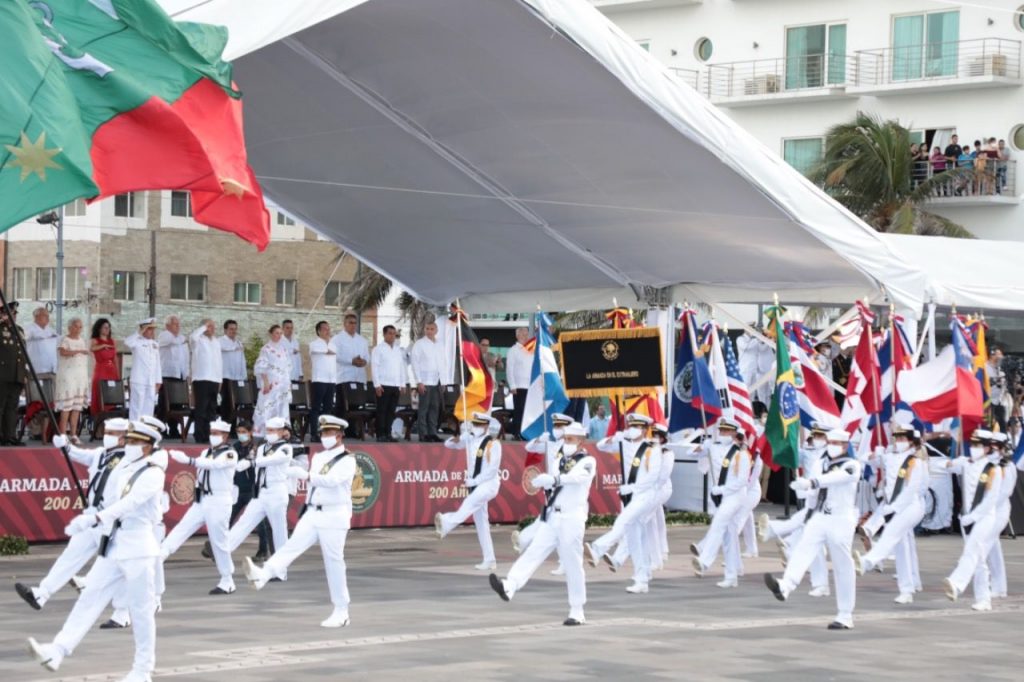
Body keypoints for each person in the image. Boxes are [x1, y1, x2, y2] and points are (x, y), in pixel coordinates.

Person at [27, 421, 166, 681]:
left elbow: (130, 502)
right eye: (130, 441)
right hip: (115, 544)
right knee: (89, 598)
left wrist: (97, 519)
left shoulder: (153, 472)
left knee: (141, 611)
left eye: (135, 443)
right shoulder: (125, 466)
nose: (129, 446)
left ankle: (142, 670)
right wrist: (68, 448)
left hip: (138, 548)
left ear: (147, 447)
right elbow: (105, 489)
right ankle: (58, 649)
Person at [244, 415, 356, 628]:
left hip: (334, 515)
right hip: (314, 512)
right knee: (291, 547)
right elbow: (314, 485)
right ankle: (263, 574)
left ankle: (341, 610)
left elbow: (331, 481)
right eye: (323, 433)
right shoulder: (320, 457)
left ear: (340, 435)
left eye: (329, 433)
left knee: (334, 562)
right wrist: (307, 501)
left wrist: (305, 475)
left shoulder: (348, 460)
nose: (325, 437)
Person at [15, 419, 130, 611]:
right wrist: (65, 446)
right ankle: (41, 594)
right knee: (70, 557)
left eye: (111, 433)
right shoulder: (100, 454)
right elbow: (80, 455)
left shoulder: (129, 461)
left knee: (119, 566)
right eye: (106, 431)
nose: (106, 435)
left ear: (123, 439)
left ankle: (136, 604)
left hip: (110, 520)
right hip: (91, 517)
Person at [489, 421, 595, 626]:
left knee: (573, 564)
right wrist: (542, 483)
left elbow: (575, 478)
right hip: (553, 517)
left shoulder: (587, 461)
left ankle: (577, 610)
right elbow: (553, 485)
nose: (566, 443)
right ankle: (509, 585)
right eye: (565, 439)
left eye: (571, 439)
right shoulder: (559, 459)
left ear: (580, 441)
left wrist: (552, 479)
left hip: (571, 518)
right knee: (533, 552)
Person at [764, 429, 862, 630]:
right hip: (820, 516)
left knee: (843, 566)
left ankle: (845, 615)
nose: (832, 445)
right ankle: (786, 586)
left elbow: (837, 478)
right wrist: (805, 494)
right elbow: (814, 491)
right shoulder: (820, 463)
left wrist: (812, 482)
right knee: (803, 549)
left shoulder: (852, 465)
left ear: (844, 446)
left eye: (836, 443)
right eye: (830, 441)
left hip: (841, 520)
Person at [585, 412, 662, 593]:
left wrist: (633, 488)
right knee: (634, 538)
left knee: (623, 521)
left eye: (637, 427)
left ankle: (598, 549)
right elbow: (600, 446)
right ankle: (641, 580)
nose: (633, 430)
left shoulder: (652, 449)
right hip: (628, 497)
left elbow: (652, 477)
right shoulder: (624, 444)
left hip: (644, 495)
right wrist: (614, 437)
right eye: (631, 426)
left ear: (644, 430)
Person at [853, 425, 928, 603]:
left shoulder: (916, 462)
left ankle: (867, 562)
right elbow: (865, 459)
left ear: (911, 441)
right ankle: (907, 590)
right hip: (893, 507)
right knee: (901, 547)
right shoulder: (889, 457)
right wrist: (874, 454)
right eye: (897, 438)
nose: (899, 442)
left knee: (891, 534)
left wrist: (894, 507)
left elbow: (912, 490)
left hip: (910, 506)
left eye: (903, 439)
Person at [163, 419, 238, 595]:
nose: (213, 436)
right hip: (203, 500)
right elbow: (201, 472)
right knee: (180, 529)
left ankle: (227, 579)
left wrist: (189, 460)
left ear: (226, 436)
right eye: (212, 433)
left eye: (217, 434)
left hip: (219, 501)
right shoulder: (206, 452)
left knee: (219, 542)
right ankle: (157, 559)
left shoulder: (230, 454)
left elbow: (215, 465)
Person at [943, 430, 1003, 610]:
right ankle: (983, 599)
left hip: (984, 518)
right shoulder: (965, 464)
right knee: (978, 558)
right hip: (966, 519)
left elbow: (991, 500)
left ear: (986, 448)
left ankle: (956, 583)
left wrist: (973, 517)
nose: (973, 449)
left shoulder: (993, 469)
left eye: (978, 446)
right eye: (972, 445)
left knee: (971, 550)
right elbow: (945, 465)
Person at [435, 412, 503, 570]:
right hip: (475, 485)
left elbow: (492, 470)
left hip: (488, 484)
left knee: (469, 503)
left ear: (486, 426)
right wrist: (460, 436)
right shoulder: (471, 440)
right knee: (481, 522)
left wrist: (475, 481)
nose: (476, 427)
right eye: (475, 424)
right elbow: (449, 445)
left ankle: (446, 523)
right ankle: (489, 559)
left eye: (479, 425)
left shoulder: (494, 444)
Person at [689, 418, 750, 588]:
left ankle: (704, 561)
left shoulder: (741, 454)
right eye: (721, 430)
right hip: (720, 497)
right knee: (729, 537)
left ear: (734, 434)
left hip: (735, 495)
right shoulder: (714, 447)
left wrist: (723, 490)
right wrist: (703, 445)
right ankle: (732, 576)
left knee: (718, 522)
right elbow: (691, 454)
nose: (723, 433)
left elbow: (741, 481)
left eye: (726, 431)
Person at [226, 416, 293, 566]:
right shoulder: (262, 447)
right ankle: (222, 551)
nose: (269, 433)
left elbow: (273, 460)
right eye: (268, 430)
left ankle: (280, 568)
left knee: (279, 532)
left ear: (282, 432)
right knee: (243, 523)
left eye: (273, 430)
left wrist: (251, 463)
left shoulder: (286, 448)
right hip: (261, 492)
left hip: (276, 492)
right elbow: (259, 467)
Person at [332, 313, 369, 432]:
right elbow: (335, 356)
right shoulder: (337, 339)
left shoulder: (362, 340)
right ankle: (340, 431)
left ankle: (352, 431)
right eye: (350, 323)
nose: (353, 325)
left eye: (355, 323)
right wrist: (351, 361)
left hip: (358, 378)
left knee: (356, 405)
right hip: (344, 377)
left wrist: (364, 361)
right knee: (342, 406)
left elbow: (368, 356)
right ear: (345, 324)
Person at [253, 324, 292, 438]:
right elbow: (261, 366)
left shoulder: (284, 349)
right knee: (268, 407)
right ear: (271, 334)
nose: (279, 336)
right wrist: (265, 382)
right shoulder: (266, 349)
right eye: (276, 333)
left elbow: (288, 367)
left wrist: (287, 383)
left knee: (282, 409)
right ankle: (265, 434)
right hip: (270, 384)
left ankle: (281, 433)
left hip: (282, 385)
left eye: (281, 333)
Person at [55, 318, 90, 436]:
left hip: (80, 377)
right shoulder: (64, 339)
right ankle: (63, 435)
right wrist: (77, 351)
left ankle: (74, 435)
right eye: (76, 326)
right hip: (68, 376)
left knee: (77, 407)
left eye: (80, 327)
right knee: (66, 407)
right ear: (70, 327)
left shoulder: (82, 340)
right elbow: (63, 352)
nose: (78, 329)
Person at [371, 325, 406, 442]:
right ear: (384, 334)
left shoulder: (397, 349)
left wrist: (402, 384)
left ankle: (388, 433)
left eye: (394, 334)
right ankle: (380, 434)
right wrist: (377, 384)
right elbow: (374, 367)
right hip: (383, 385)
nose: (392, 336)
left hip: (395, 385)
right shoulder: (378, 349)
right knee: (382, 411)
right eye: (390, 333)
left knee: (391, 411)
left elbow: (401, 367)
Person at [411, 320, 444, 442]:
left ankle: (432, 433)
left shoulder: (440, 344)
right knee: (423, 408)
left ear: (436, 330)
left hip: (436, 381)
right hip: (424, 381)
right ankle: (423, 434)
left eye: (432, 329)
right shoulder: (419, 344)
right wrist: (419, 381)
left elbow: (443, 363)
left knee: (435, 408)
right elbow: (415, 363)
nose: (429, 331)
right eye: (427, 329)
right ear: (424, 330)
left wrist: (444, 381)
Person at [190, 319, 222, 444]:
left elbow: (219, 361)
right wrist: (204, 327)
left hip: (214, 379)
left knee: (212, 409)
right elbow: (193, 336)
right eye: (209, 326)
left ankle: (210, 435)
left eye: (213, 326)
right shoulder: (198, 340)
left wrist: (220, 379)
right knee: (201, 409)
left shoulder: (216, 341)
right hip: (201, 378)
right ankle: (200, 435)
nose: (212, 328)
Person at [157, 315, 189, 438]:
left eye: (178, 324)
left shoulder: (181, 338)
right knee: (164, 404)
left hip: (179, 375)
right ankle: (160, 428)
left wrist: (186, 373)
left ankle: (174, 429)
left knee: (177, 404)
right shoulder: (164, 335)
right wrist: (183, 340)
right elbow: (172, 341)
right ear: (167, 326)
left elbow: (185, 357)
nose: (178, 326)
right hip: (167, 374)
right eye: (175, 324)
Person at [123, 319, 161, 421]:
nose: (152, 332)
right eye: (149, 329)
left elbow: (157, 364)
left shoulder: (155, 344)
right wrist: (139, 332)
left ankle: (145, 432)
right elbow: (127, 342)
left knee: (149, 408)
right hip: (139, 379)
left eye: (153, 329)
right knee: (137, 407)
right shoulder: (136, 342)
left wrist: (158, 381)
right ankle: (134, 431)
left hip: (151, 380)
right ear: (143, 329)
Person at [308, 321, 337, 441]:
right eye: (324, 329)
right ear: (319, 331)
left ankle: (326, 433)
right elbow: (316, 351)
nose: (327, 331)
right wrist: (326, 351)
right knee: (316, 408)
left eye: (328, 328)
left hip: (331, 380)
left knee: (328, 408)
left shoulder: (333, 344)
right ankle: (314, 434)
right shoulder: (314, 344)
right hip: (319, 380)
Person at [90, 318, 119, 419]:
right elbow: (91, 348)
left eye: (108, 327)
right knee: (101, 396)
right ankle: (99, 427)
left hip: (111, 370)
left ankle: (110, 425)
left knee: (111, 396)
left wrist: (118, 374)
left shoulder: (112, 341)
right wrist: (103, 345)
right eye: (105, 327)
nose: (107, 329)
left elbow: (115, 358)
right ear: (99, 329)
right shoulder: (95, 340)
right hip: (101, 369)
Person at [505, 327, 532, 438]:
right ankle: (517, 433)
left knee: (528, 412)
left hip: (530, 386)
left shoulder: (530, 350)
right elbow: (509, 369)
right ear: (517, 336)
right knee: (519, 411)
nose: (525, 336)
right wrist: (512, 385)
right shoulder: (513, 350)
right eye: (523, 334)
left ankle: (525, 433)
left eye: (526, 334)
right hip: (519, 386)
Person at [218, 319, 245, 425]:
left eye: (235, 329)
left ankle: (233, 427)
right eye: (231, 329)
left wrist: (243, 376)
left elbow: (242, 360)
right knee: (227, 403)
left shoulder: (238, 343)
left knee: (236, 403)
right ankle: (226, 426)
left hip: (237, 377)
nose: (233, 331)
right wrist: (235, 348)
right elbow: (224, 349)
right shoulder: (220, 341)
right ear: (225, 330)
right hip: (225, 376)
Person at [25, 307, 58, 380]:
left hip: (51, 369)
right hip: (36, 370)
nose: (48, 318)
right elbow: (27, 339)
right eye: (45, 315)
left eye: (48, 316)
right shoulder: (29, 329)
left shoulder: (50, 330)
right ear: (36, 317)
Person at [987, 346, 1008, 433]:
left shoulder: (1000, 369)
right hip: (988, 401)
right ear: (992, 355)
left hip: (999, 401)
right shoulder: (985, 367)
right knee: (989, 425)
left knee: (1002, 423)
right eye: (999, 354)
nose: (1001, 356)